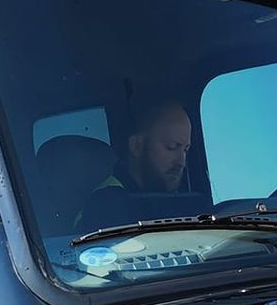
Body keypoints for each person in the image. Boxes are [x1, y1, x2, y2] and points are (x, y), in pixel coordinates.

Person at [76, 98, 195, 231]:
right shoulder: (104, 206)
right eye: (172, 147)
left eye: (185, 150)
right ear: (137, 146)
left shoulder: (171, 201)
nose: (181, 162)